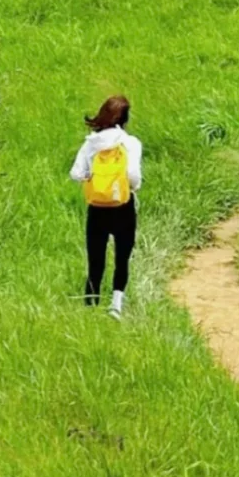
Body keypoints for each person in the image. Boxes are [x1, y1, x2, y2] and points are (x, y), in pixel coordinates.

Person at [69, 95, 142, 320]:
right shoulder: (131, 143)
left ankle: (90, 305)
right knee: (122, 256)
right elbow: (133, 175)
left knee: (95, 258)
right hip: (122, 205)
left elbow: (75, 173)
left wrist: (91, 178)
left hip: (97, 208)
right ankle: (116, 305)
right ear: (125, 118)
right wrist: (132, 187)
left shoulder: (90, 143)